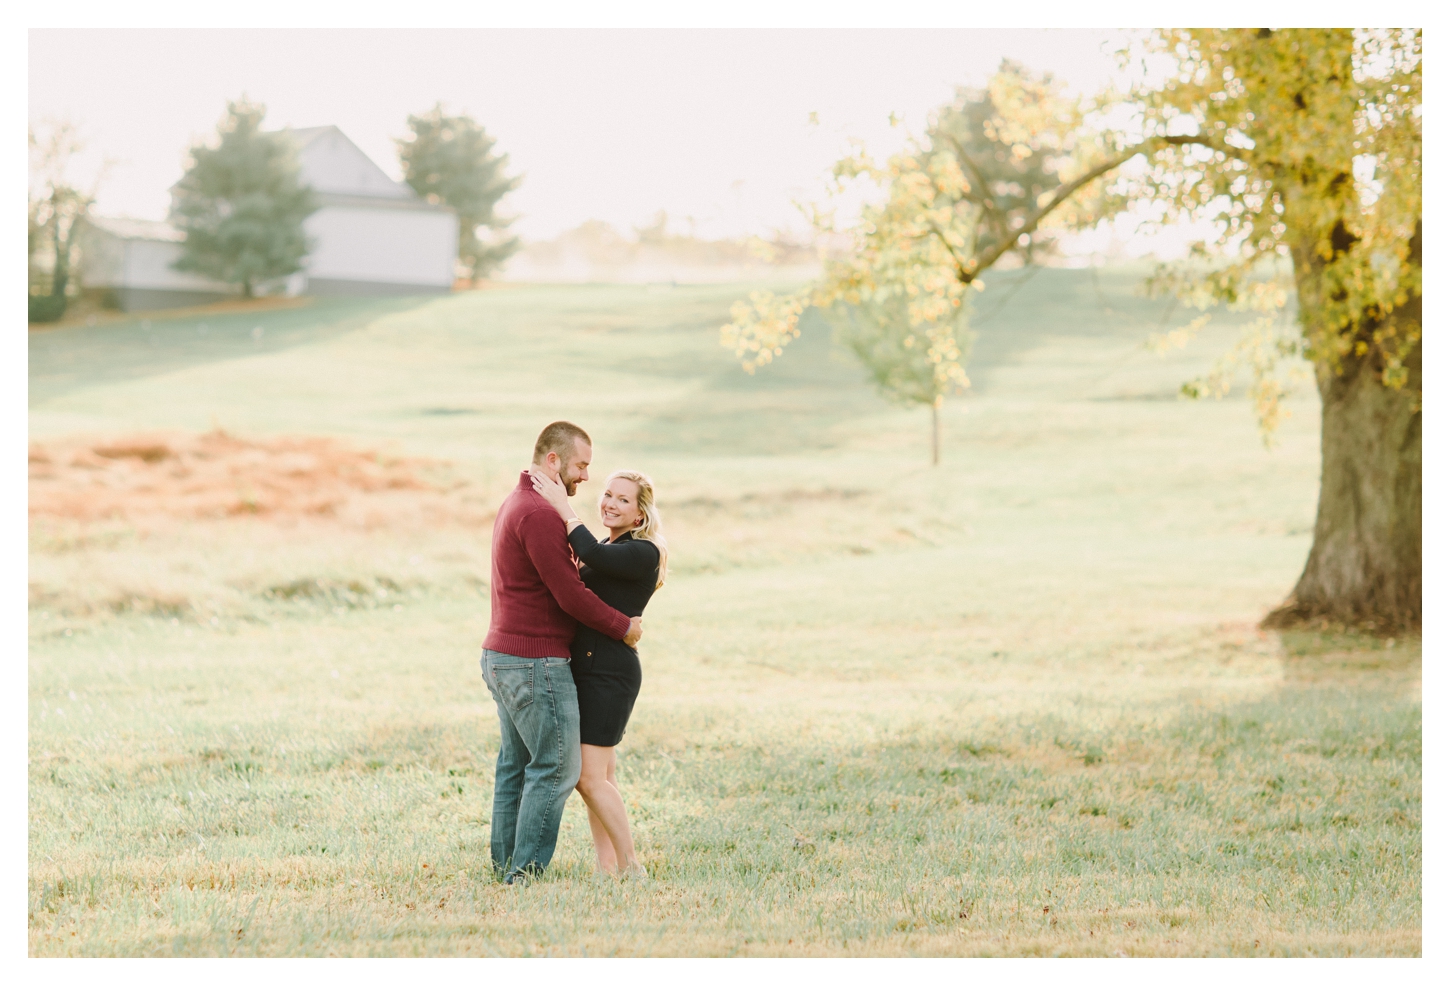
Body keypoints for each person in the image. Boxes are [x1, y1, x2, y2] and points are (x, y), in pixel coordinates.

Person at [480, 421, 643, 885]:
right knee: (556, 766)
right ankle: (523, 875)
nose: (586, 477)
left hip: (505, 654)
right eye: (582, 465)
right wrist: (623, 626)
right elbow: (570, 595)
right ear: (553, 461)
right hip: (534, 661)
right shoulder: (538, 513)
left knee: (515, 765)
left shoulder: (521, 501)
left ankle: (503, 866)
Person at [530, 467, 668, 879]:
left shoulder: (644, 551)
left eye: (623, 500)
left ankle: (631, 866)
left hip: (610, 673)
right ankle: (607, 867)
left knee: (589, 778)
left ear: (639, 515)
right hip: (591, 667)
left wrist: (562, 508)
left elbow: (593, 557)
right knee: (600, 776)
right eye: (608, 494)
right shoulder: (611, 545)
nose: (610, 503)